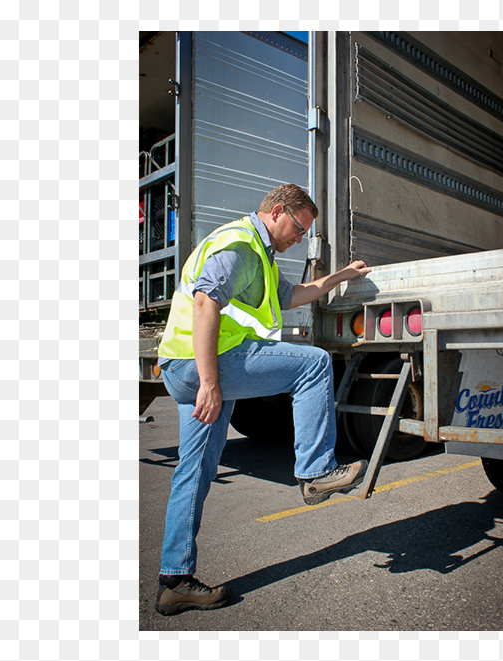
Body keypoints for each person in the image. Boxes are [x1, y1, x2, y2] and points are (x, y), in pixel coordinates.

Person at [153, 183, 371, 615]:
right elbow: (204, 304)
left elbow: (291, 296)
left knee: (194, 471)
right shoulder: (240, 244)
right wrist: (212, 383)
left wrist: (341, 276)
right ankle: (315, 471)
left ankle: (174, 580)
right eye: (298, 227)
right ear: (275, 212)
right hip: (202, 366)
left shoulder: (262, 256)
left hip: (183, 368)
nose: (300, 238)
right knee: (314, 364)